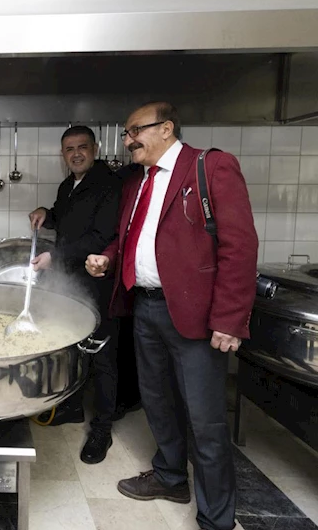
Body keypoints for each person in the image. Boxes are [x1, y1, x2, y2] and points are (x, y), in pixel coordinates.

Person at [85, 102, 258, 530]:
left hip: (196, 316)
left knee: (205, 419)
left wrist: (230, 319)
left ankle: (216, 517)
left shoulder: (210, 167)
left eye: (134, 132)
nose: (128, 141)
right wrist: (109, 258)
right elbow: (135, 237)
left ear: (166, 128)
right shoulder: (139, 183)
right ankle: (170, 477)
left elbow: (240, 247)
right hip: (145, 307)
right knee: (157, 402)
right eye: (126, 134)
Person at [28, 125, 122, 464]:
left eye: (82, 147)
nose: (76, 153)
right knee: (73, 348)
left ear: (94, 149)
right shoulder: (69, 184)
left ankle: (102, 429)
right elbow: (66, 219)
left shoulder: (109, 184)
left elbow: (102, 235)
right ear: (63, 154)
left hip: (97, 283)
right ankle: (71, 408)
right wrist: (46, 214)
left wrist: (56, 257)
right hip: (71, 284)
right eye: (70, 149)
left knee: (102, 357)